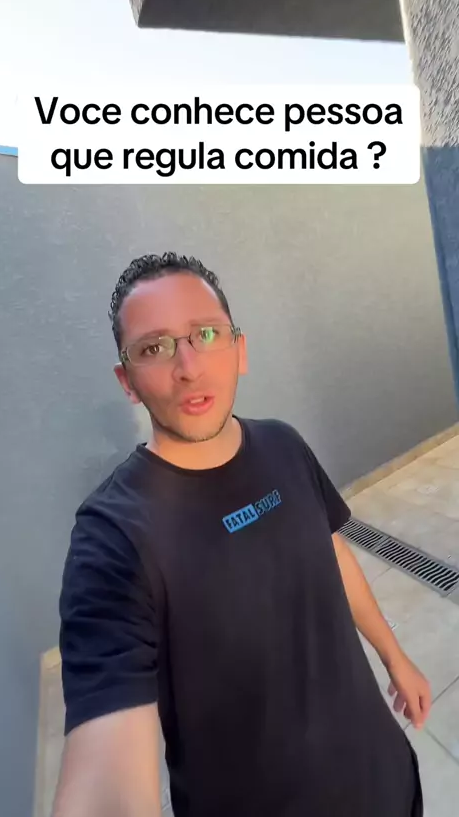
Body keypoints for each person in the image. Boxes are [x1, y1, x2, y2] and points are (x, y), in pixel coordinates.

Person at [53, 252, 430, 817]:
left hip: (387, 780)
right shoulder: (113, 537)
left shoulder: (284, 445)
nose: (188, 367)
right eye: (153, 348)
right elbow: (107, 768)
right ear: (126, 381)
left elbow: (330, 552)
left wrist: (394, 655)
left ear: (240, 349)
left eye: (206, 334)